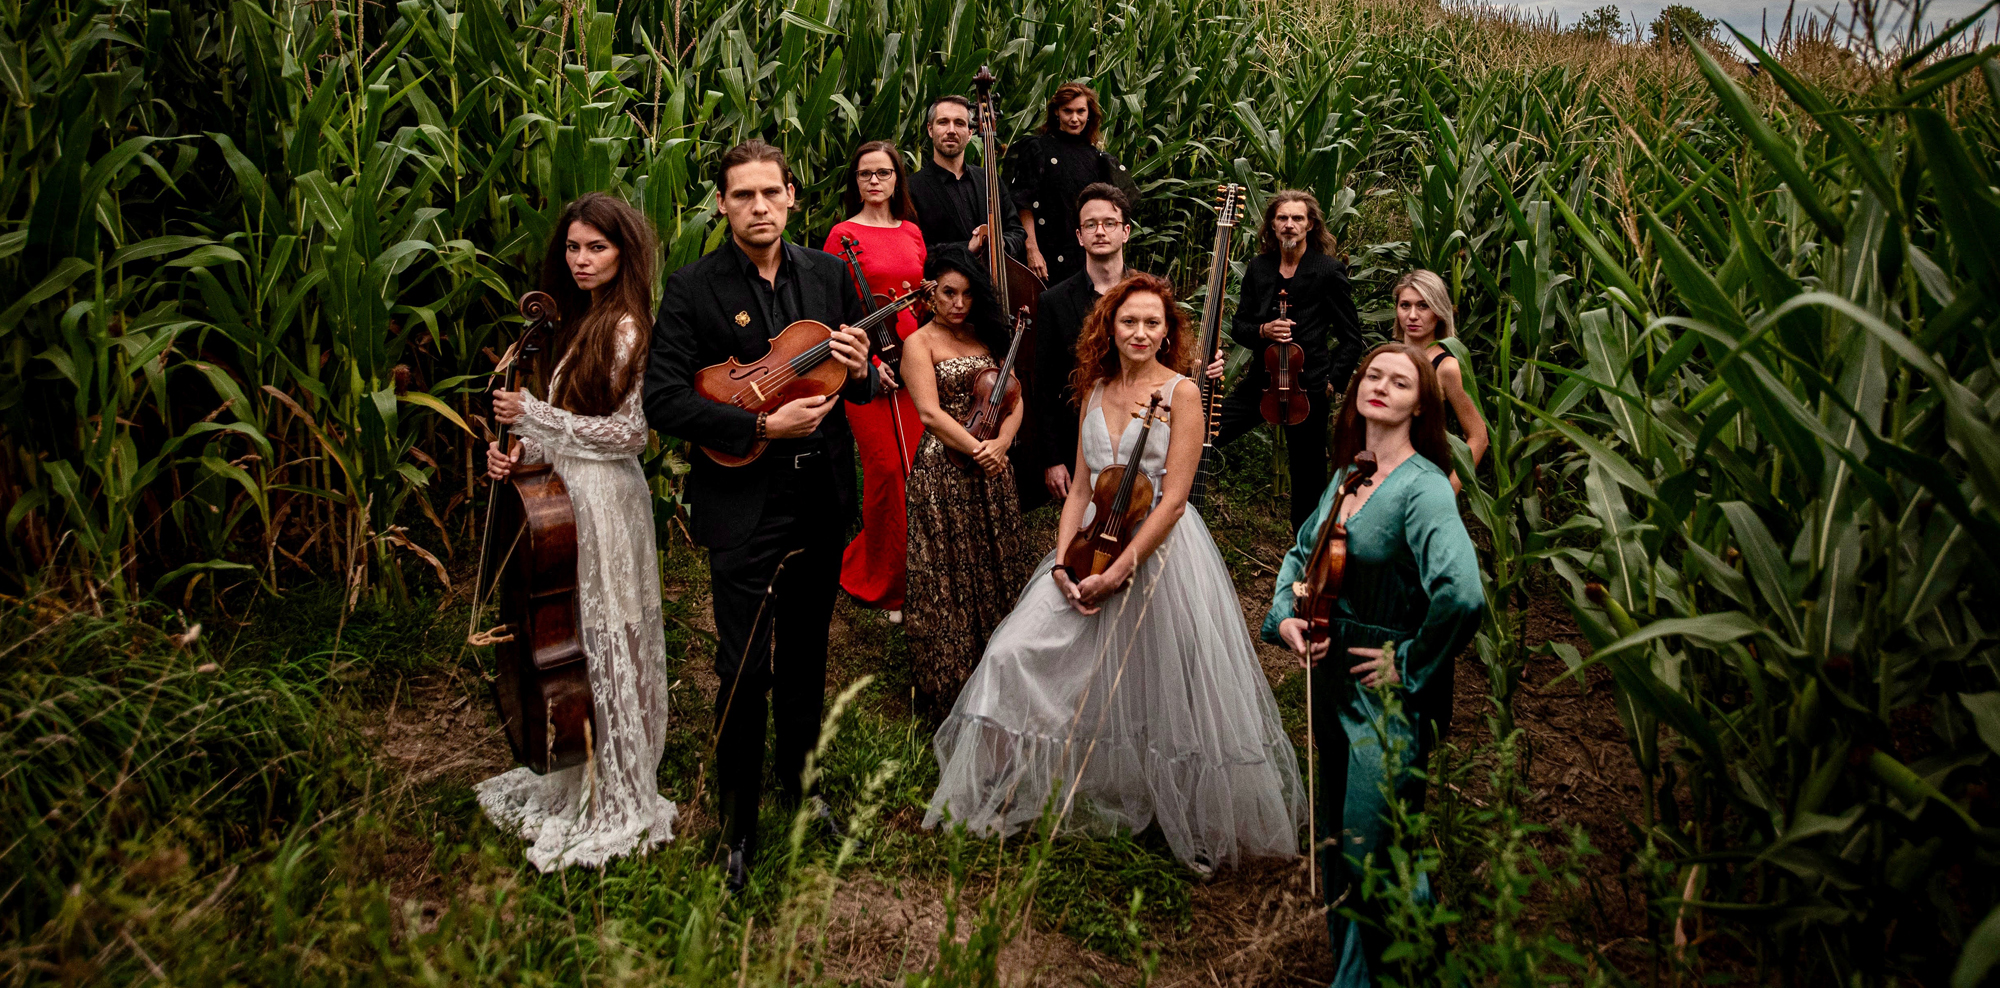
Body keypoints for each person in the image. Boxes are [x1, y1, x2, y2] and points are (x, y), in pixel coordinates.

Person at [925, 273, 1306, 875]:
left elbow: (1175, 501)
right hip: (1086, 550)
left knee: (1170, 687)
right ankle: (1003, 787)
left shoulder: (1183, 394)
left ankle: (1188, 811)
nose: (1140, 332)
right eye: (1129, 320)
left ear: (1168, 330)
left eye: (1153, 322)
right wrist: (1060, 561)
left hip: (1159, 558)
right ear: (1110, 326)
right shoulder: (1096, 387)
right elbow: (1080, 486)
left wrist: (1122, 570)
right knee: (1010, 653)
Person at [643, 139, 878, 893]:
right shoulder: (692, 288)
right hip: (744, 499)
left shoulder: (831, 274)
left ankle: (803, 786)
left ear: (791, 198)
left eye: (770, 194)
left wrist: (865, 362)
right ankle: (738, 820)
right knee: (743, 666)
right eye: (742, 196)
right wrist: (756, 430)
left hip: (821, 498)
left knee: (808, 655)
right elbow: (664, 398)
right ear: (722, 204)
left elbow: (867, 386)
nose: (758, 208)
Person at [1261, 342, 1483, 984]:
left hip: (1385, 693)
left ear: (1422, 406)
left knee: (1372, 847)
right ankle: (1353, 970)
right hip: (1333, 682)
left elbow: (1463, 591)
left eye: (1401, 382)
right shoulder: (1349, 475)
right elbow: (1300, 557)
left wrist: (1409, 661)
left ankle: (1403, 975)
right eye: (1373, 375)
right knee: (1337, 841)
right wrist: (1287, 618)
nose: (1381, 386)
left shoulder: (1425, 490)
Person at [475, 193, 680, 872]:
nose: (582, 259)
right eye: (573, 247)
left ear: (624, 252)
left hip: (607, 500)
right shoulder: (584, 323)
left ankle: (622, 782)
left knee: (609, 631)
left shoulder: (626, 326)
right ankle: (584, 765)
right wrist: (519, 453)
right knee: (584, 637)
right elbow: (570, 427)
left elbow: (629, 434)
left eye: (597, 247)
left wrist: (533, 416)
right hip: (570, 489)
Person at [900, 246, 1030, 707]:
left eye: (968, 295)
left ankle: (1006, 680)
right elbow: (931, 415)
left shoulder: (986, 336)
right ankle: (953, 686)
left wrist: (1002, 444)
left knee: (999, 564)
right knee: (949, 573)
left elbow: (1015, 400)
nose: (959, 303)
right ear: (930, 294)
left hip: (992, 466)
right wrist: (977, 448)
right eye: (949, 294)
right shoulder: (919, 343)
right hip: (945, 472)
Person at [1211, 190, 1363, 532]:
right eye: (1282, 218)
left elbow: (1353, 338)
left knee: (1307, 478)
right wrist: (1263, 330)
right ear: (1272, 226)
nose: (1289, 225)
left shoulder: (1327, 271)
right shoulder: (1259, 268)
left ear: (1310, 225)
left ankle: (1307, 554)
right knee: (1208, 432)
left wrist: (1330, 384)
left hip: (1307, 388)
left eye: (1297, 218)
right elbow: (1239, 326)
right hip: (1261, 382)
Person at [823, 140, 929, 624]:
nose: (873, 181)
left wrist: (920, 356)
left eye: (883, 173)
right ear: (856, 182)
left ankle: (920, 570)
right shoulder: (842, 234)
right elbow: (836, 308)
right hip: (868, 364)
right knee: (886, 471)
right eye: (865, 174)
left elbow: (920, 303)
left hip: (913, 360)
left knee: (918, 468)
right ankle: (887, 581)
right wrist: (866, 364)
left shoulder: (911, 231)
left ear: (895, 179)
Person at [1031, 182, 1136, 501]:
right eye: (1090, 224)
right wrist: (1052, 460)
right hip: (1079, 446)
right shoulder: (1054, 301)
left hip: (1140, 438)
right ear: (1079, 235)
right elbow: (1044, 386)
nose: (1100, 231)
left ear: (1125, 232)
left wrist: (1204, 365)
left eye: (1109, 223)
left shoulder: (1150, 293)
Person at [1006, 82, 1136, 286]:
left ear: (1089, 113)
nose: (1074, 118)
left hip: (1082, 256)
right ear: (1056, 111)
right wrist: (1031, 249)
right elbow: (1023, 203)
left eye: (1080, 111)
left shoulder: (1097, 158)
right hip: (1045, 254)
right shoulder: (1037, 148)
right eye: (1068, 111)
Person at [1390, 270, 1488, 494]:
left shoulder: (1448, 367)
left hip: (1423, 483)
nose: (1412, 315)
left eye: (1423, 306)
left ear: (1439, 312)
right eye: (1405, 305)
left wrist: (1448, 489)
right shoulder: (1388, 359)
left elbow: (1479, 437)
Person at [906, 95, 1028, 262]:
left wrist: (1000, 243)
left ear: (970, 133)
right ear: (930, 129)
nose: (951, 130)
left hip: (994, 284)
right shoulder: (912, 187)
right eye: (943, 122)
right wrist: (967, 248)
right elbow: (913, 249)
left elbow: (1017, 231)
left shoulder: (989, 180)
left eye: (959, 123)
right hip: (942, 284)